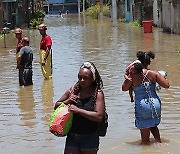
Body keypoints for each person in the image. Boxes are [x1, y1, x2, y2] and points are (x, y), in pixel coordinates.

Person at [54, 61, 105, 154]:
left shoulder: (97, 94)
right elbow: (56, 106)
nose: (82, 80)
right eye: (80, 77)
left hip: (90, 136)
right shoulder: (73, 90)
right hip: (72, 136)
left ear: (92, 79)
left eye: (85, 78)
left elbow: (99, 116)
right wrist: (67, 101)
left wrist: (78, 110)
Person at [122, 59, 169, 145]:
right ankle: (159, 145)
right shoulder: (154, 73)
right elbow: (166, 85)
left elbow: (124, 88)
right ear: (148, 62)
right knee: (153, 125)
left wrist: (127, 78)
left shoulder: (133, 75)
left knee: (145, 141)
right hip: (155, 104)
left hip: (142, 105)